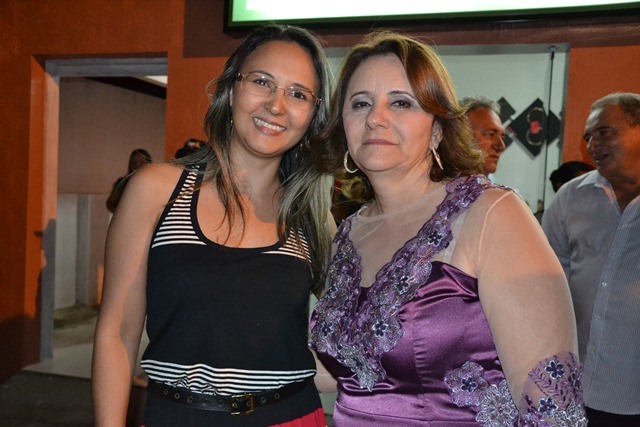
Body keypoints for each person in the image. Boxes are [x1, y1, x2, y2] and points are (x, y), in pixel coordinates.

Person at [309, 31, 586, 425]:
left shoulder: (489, 214)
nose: (375, 118)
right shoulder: (349, 234)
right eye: (360, 103)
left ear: (437, 129)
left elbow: (553, 410)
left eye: (401, 102)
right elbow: (337, 369)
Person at [92, 24, 334, 426]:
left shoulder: (310, 214)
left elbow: (357, 319)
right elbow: (117, 333)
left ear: (312, 114)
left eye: (298, 94)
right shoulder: (155, 190)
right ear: (231, 89)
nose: (276, 105)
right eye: (262, 81)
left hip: (292, 416)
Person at [542, 92, 640, 426]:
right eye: (588, 137)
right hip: (573, 387)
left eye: (604, 132)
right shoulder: (572, 197)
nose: (593, 145)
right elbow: (545, 279)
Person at [460, 96, 506, 179]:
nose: (502, 147)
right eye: (490, 134)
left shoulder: (492, 183)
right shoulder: (438, 184)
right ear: (459, 138)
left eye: (502, 137)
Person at [106, 148, 152, 213]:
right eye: (134, 162)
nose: (137, 165)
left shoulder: (155, 183)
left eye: (141, 162)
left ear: (148, 163)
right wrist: (122, 212)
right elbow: (110, 203)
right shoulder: (122, 183)